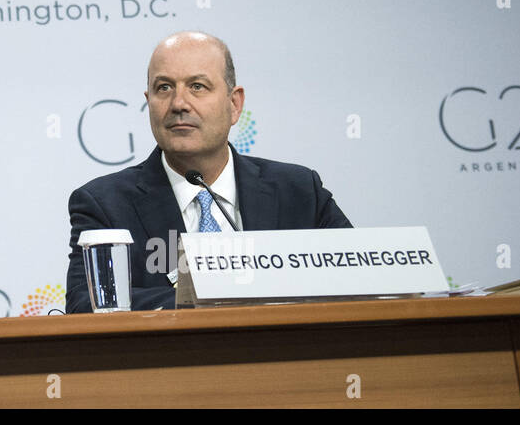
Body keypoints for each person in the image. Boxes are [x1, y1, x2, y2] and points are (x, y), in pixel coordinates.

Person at [66, 32, 351, 312]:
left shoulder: (299, 191)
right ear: (148, 101)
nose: (178, 104)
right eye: (164, 88)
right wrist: (211, 297)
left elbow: (358, 278)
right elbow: (87, 303)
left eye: (198, 86)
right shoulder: (105, 203)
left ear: (234, 104)